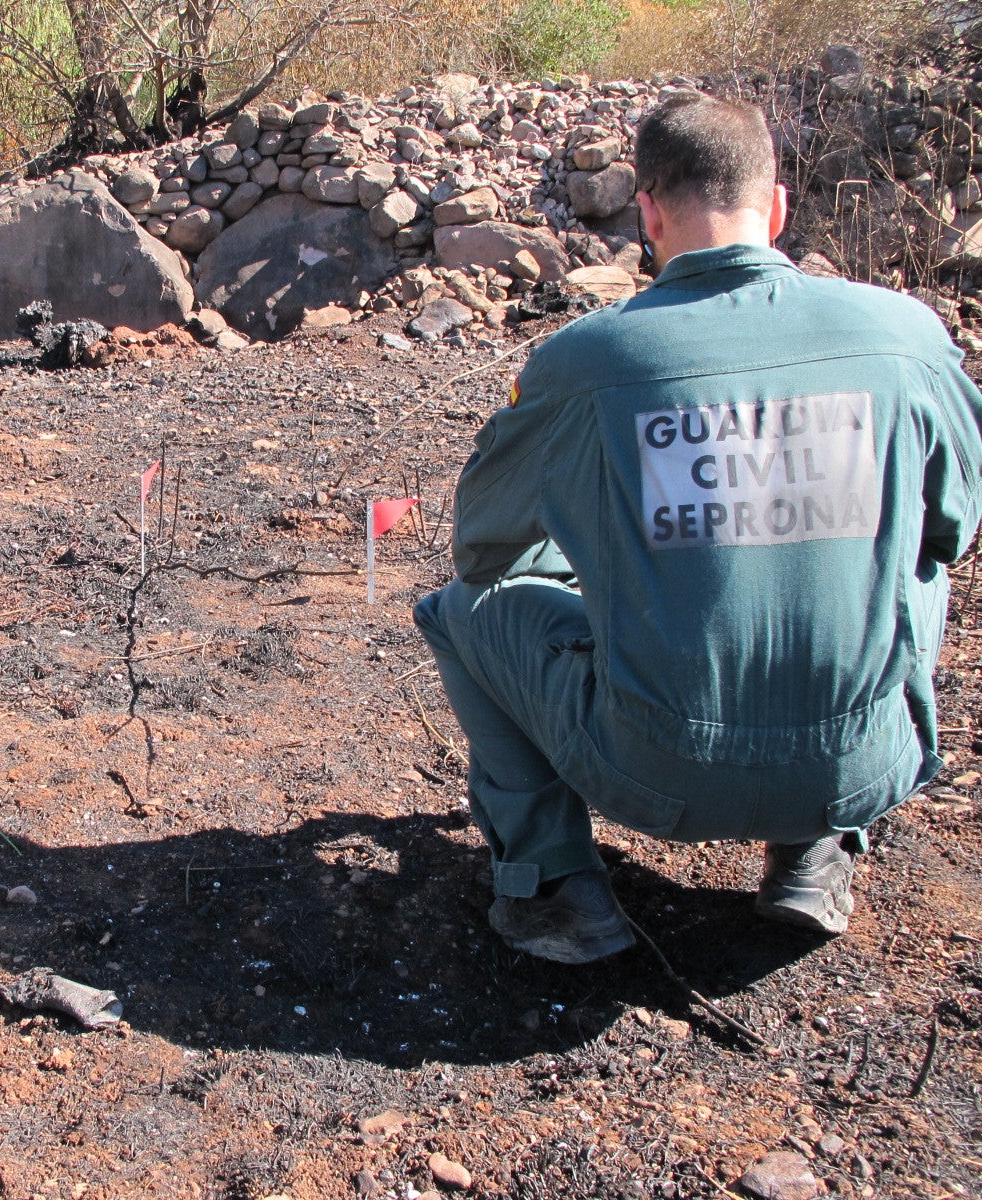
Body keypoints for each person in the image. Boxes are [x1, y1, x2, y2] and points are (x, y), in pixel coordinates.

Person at [412, 95, 982, 964]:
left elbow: (482, 548)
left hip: (657, 772)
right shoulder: (909, 337)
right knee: (907, 566)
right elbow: (952, 526)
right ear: (778, 207)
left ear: (645, 211)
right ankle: (815, 850)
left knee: (456, 610)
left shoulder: (590, 359)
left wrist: (606, 562)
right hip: (862, 759)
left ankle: (556, 884)